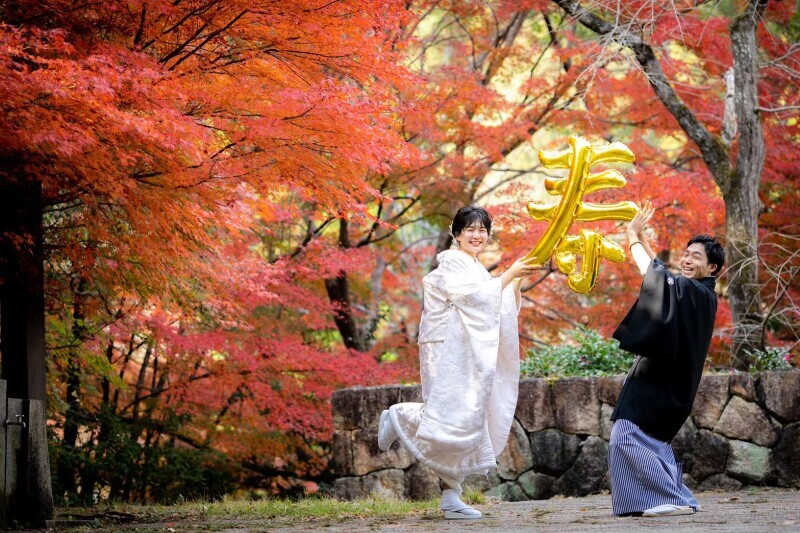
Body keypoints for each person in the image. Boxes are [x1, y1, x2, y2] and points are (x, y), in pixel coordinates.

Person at [377, 205, 538, 520]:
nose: (477, 236)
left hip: (462, 347)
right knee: (449, 413)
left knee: (469, 416)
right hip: (443, 347)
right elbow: (472, 299)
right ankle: (399, 415)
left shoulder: (475, 267)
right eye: (470, 230)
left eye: (482, 230)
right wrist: (509, 275)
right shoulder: (452, 262)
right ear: (456, 234)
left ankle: (451, 497)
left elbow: (493, 301)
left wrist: (515, 283)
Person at [609, 200, 725, 518]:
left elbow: (656, 277)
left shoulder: (698, 294)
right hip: (664, 381)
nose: (687, 260)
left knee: (625, 435)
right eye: (686, 254)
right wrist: (641, 238)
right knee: (646, 441)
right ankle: (662, 499)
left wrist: (632, 237)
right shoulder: (695, 292)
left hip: (663, 383)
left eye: (696, 257)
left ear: (712, 268)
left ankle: (673, 499)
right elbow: (662, 274)